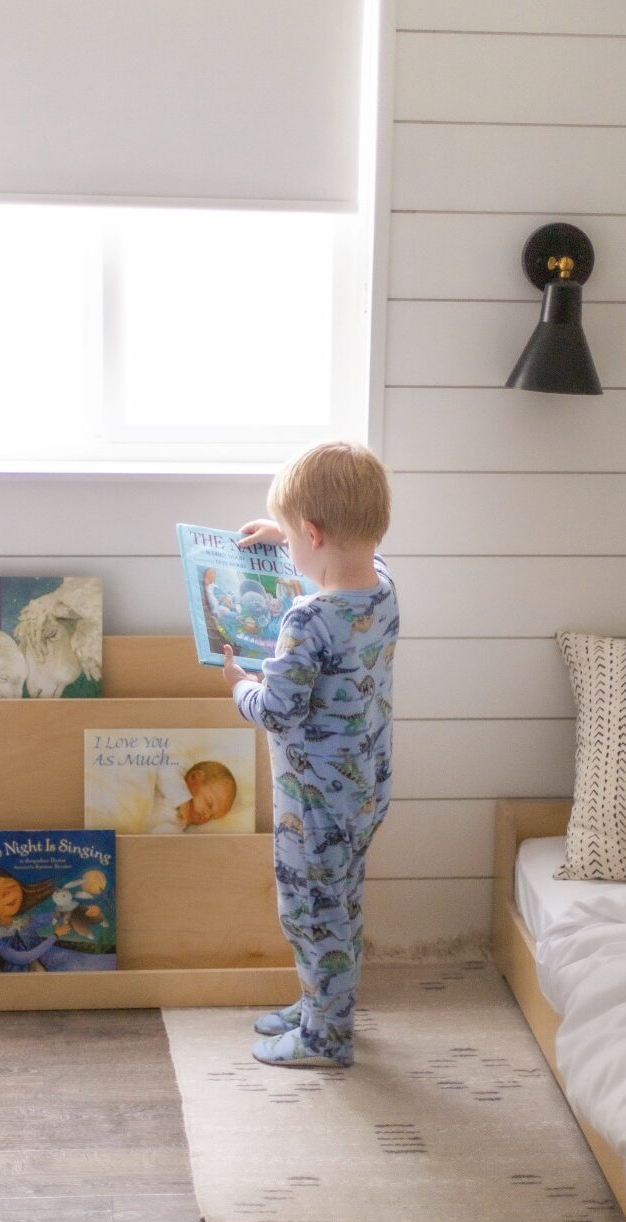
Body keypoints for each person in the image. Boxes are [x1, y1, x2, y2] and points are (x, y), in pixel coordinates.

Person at [222, 441, 398, 1068]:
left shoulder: (307, 620)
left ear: (314, 534)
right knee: (339, 904)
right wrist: (288, 534)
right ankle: (323, 1005)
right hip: (366, 788)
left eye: (295, 538)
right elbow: (350, 561)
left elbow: (278, 709)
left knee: (308, 913)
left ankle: (326, 1037)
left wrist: (239, 686)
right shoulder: (383, 589)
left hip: (314, 804)